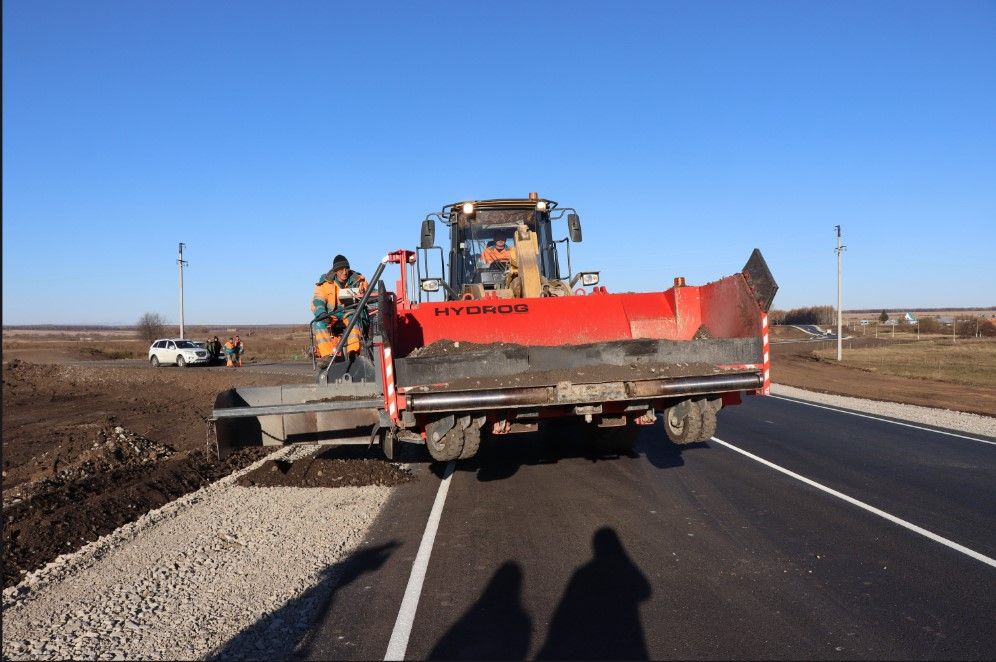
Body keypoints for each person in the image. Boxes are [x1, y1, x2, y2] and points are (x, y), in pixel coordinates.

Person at [311, 254, 368, 362]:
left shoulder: (358, 280)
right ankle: (327, 355)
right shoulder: (324, 284)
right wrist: (322, 314)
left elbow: (371, 292)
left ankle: (353, 353)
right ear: (335, 271)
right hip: (331, 315)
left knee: (354, 320)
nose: (345, 272)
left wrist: (364, 291)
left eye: (346, 268)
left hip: (349, 312)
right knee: (318, 323)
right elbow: (318, 301)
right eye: (341, 269)